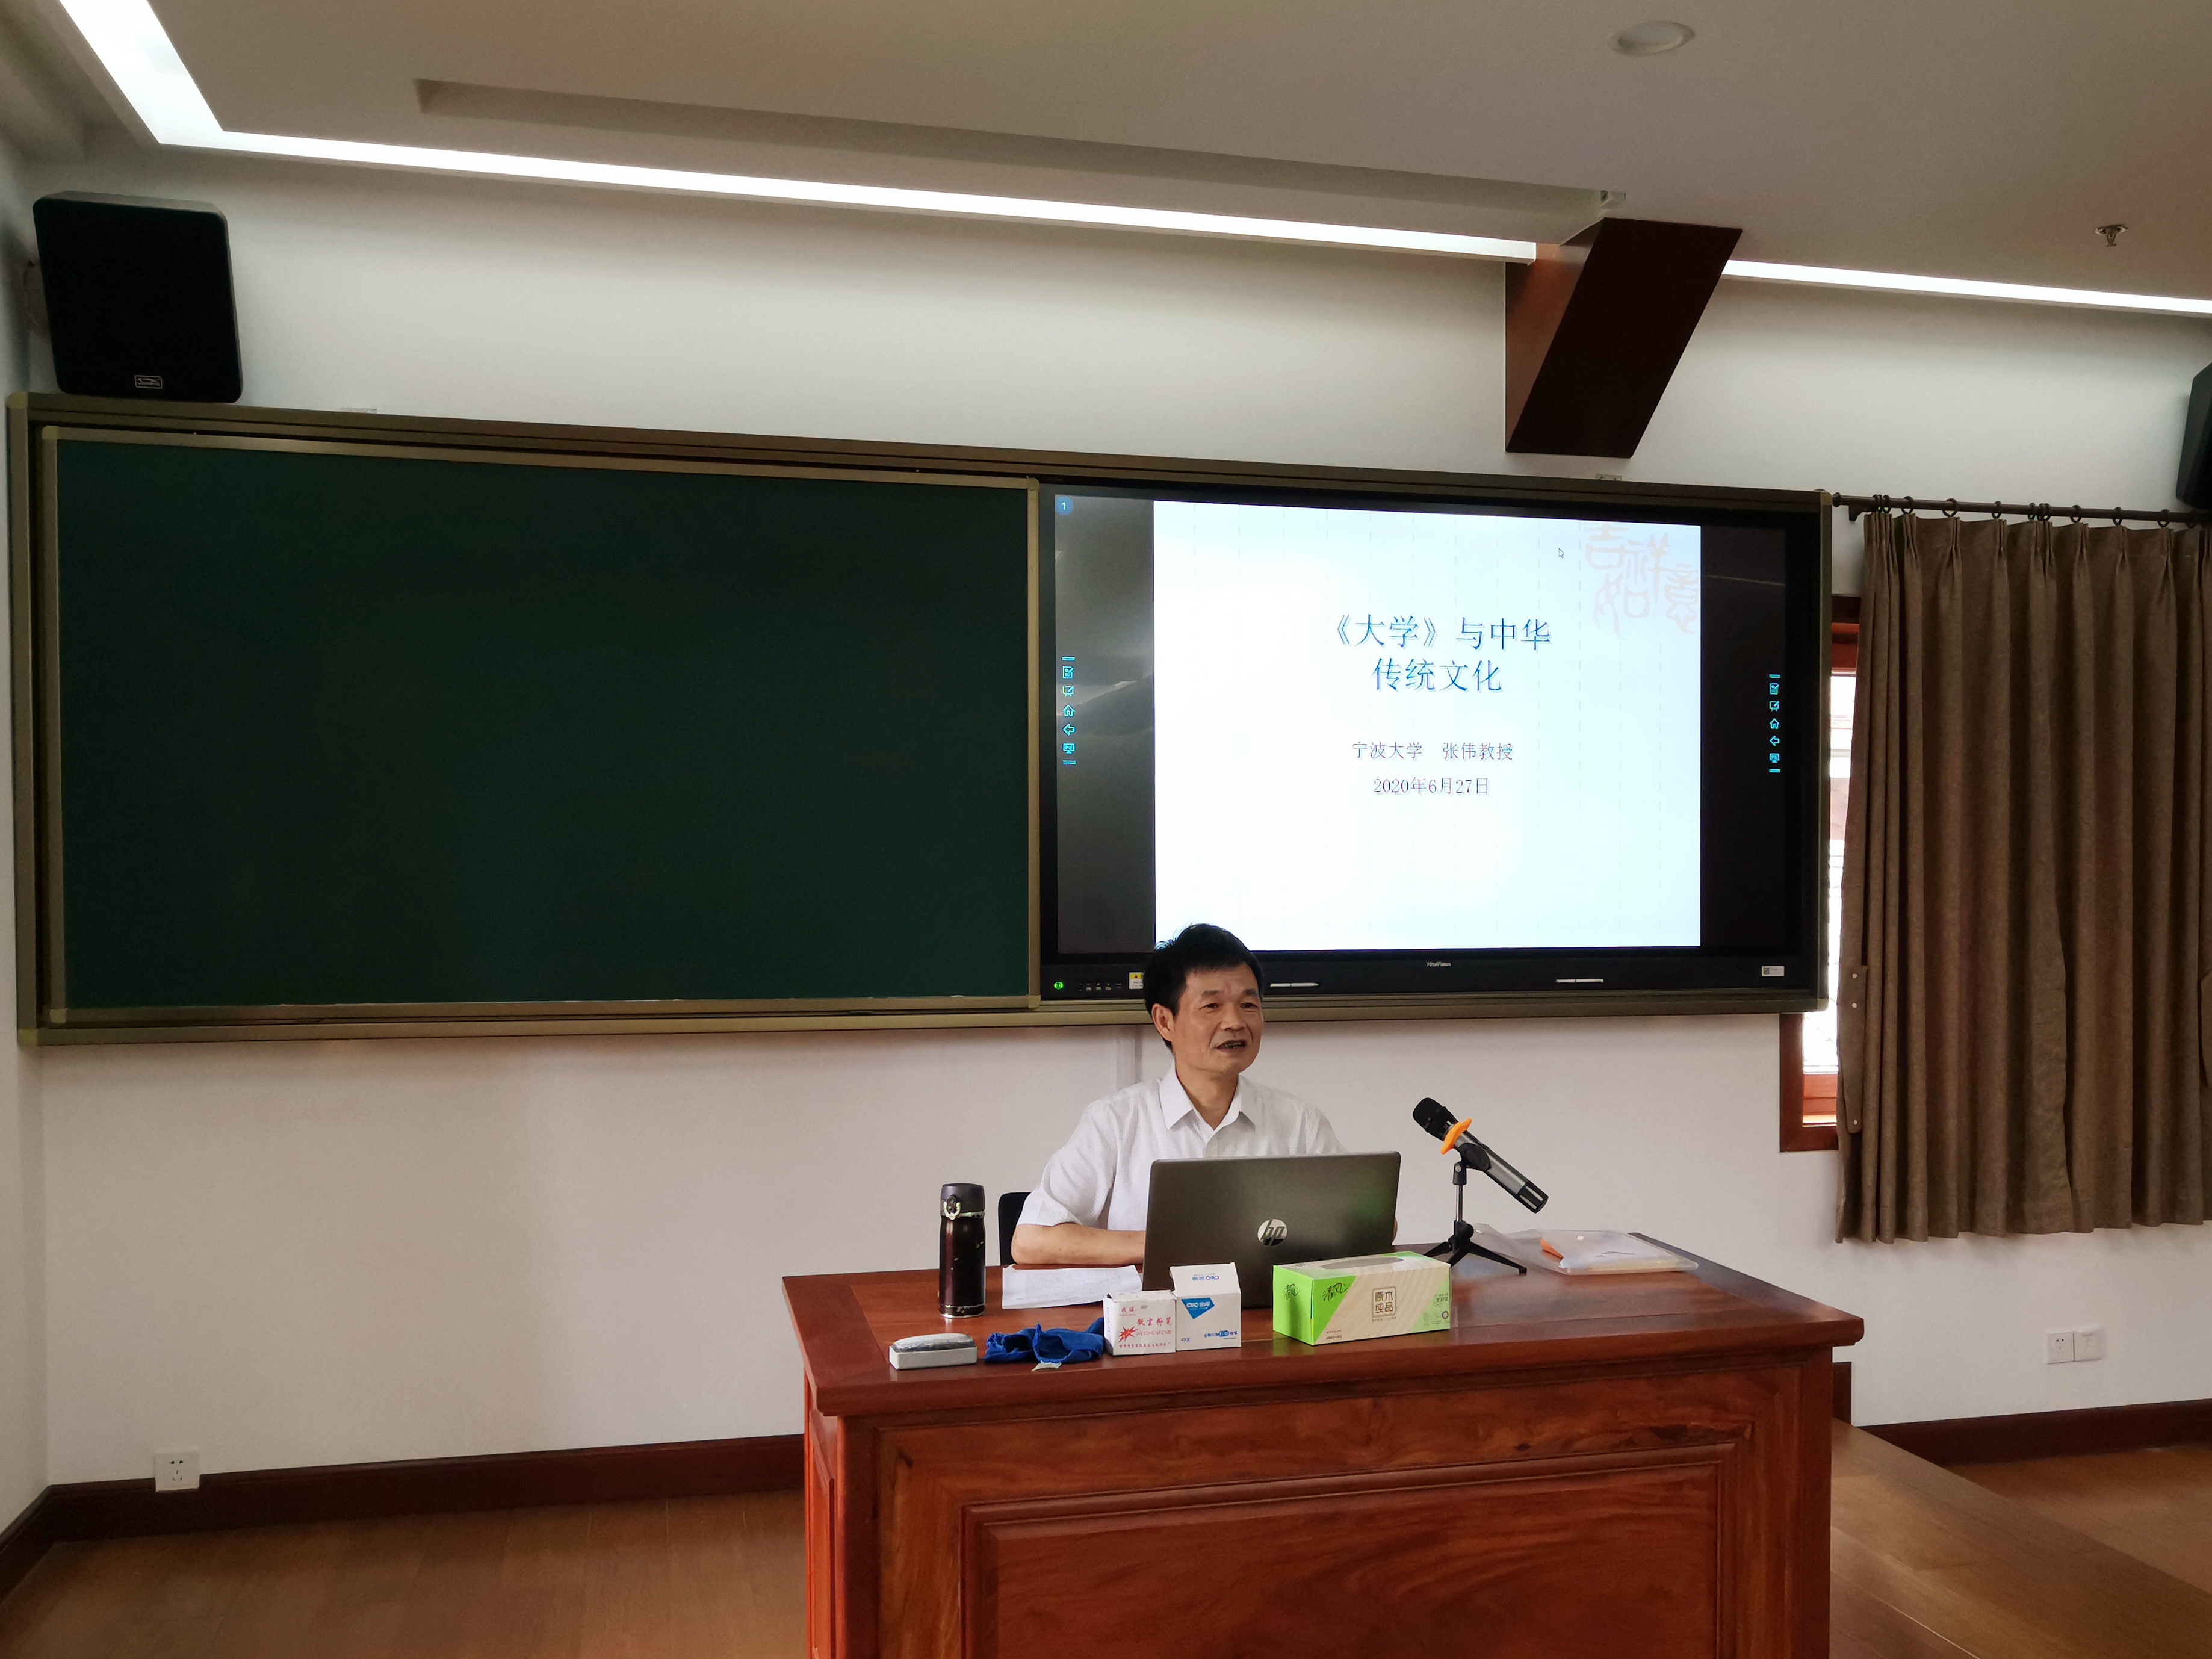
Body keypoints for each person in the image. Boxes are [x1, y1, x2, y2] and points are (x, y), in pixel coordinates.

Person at [1010, 922, 1344, 1266]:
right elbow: (1032, 1239)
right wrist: (1170, 1244)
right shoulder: (1116, 1121)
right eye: (1212, 1006)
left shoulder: (1299, 1123)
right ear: (1165, 1021)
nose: (1235, 1022)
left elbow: (1361, 1226)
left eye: (1248, 1005)